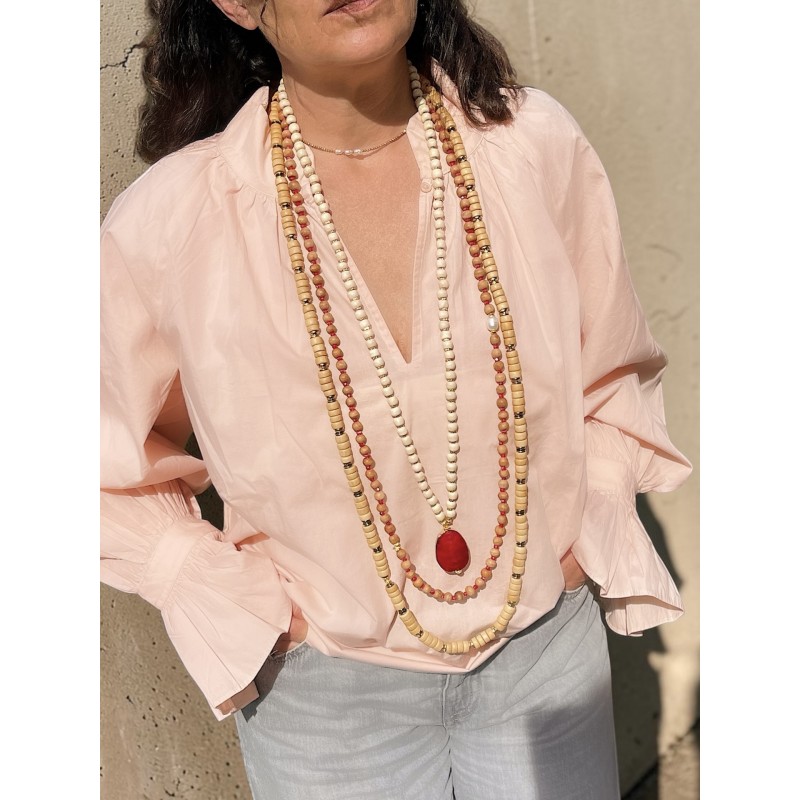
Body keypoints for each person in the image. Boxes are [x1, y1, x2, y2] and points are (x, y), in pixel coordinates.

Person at [100, 0, 691, 797]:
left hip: (544, 653)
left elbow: (611, 365)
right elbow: (92, 453)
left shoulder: (529, 144)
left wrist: (584, 537)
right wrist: (221, 594)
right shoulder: (179, 217)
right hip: (326, 699)